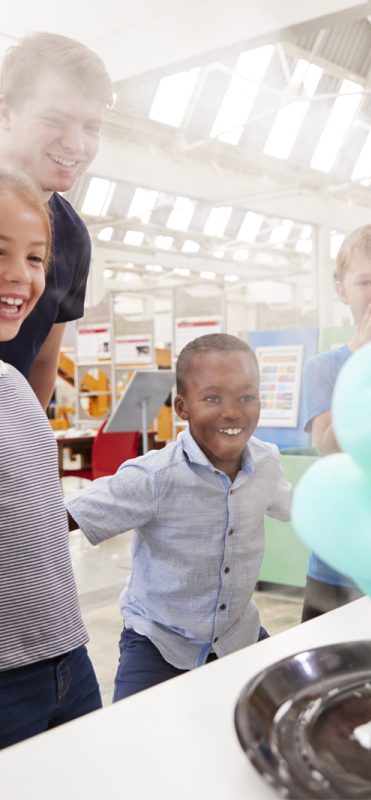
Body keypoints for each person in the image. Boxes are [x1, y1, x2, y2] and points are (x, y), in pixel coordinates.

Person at [66, 334, 293, 701]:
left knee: (279, 715)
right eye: (213, 398)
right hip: (159, 643)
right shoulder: (154, 477)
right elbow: (68, 514)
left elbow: (298, 507)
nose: (233, 411)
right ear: (182, 407)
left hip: (239, 635)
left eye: (246, 396)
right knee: (132, 737)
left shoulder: (266, 463)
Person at [0, 167, 101, 749]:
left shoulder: (15, 386)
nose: (22, 275)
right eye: (1, 252)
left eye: (36, 258)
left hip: (68, 656)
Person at [300, 221, 371, 621]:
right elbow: (329, 447)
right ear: (342, 290)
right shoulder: (324, 368)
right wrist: (366, 360)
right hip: (336, 563)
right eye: (365, 282)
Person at [0, 32, 112, 408]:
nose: (76, 144)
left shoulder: (73, 238)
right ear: (5, 112)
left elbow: (43, 360)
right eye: (55, 120)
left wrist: (24, 449)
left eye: (91, 128)